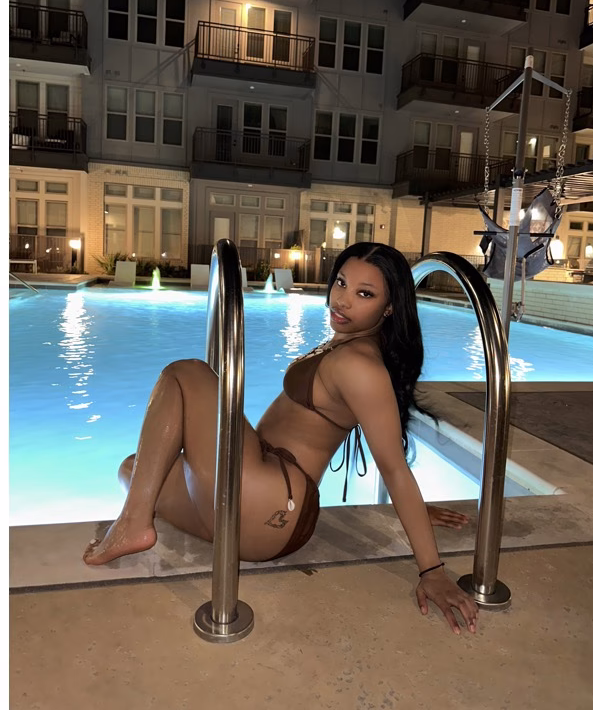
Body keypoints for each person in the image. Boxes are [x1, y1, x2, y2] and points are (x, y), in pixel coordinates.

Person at [84, 242, 479, 635]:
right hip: (256, 509)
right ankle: (160, 520)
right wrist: (418, 511)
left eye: (365, 294)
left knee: (187, 373)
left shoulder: (359, 365)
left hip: (276, 503)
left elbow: (393, 466)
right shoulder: (347, 344)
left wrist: (432, 571)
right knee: (133, 470)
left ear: (389, 307)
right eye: (341, 283)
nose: (342, 300)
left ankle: (133, 524)